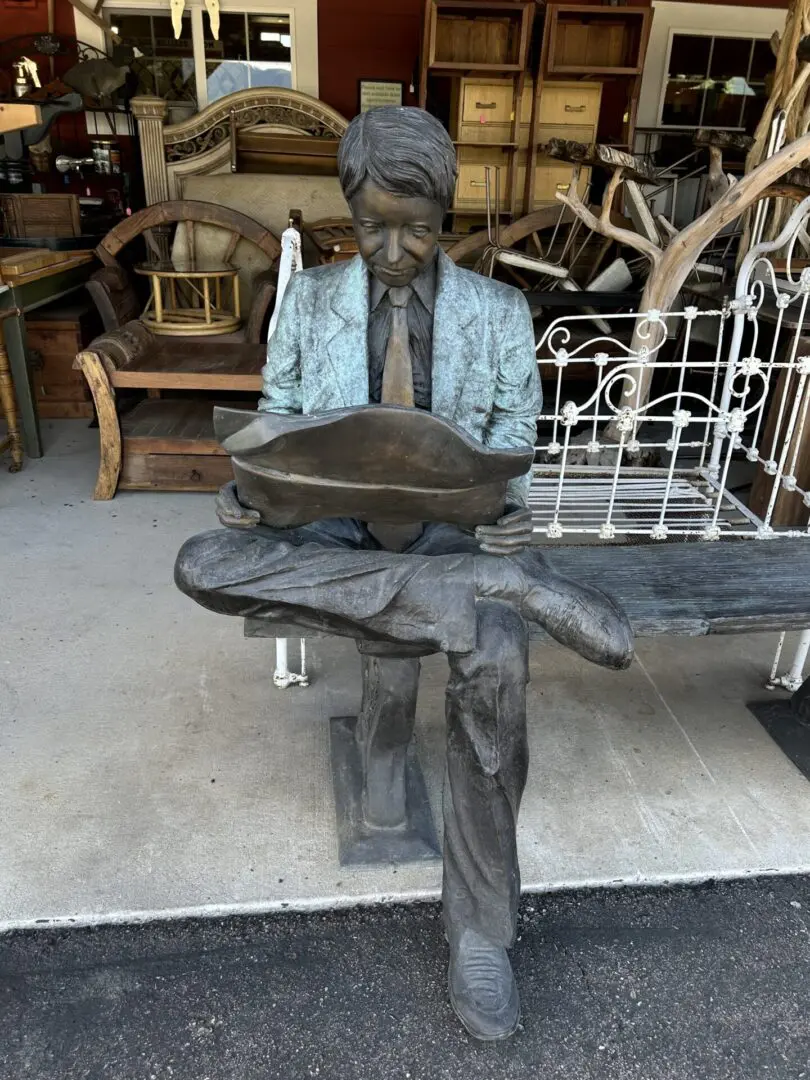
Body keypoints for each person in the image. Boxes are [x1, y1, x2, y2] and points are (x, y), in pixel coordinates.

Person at [175, 106, 633, 1041]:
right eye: (372, 226)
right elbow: (278, 421)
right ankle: (488, 594)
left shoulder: (499, 314)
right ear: (348, 209)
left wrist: (489, 504)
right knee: (202, 559)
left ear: (446, 217)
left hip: (455, 540)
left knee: (496, 666)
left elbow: (516, 449)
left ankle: (480, 933)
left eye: (415, 229)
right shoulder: (307, 303)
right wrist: (253, 492)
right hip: (337, 535)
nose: (392, 248)